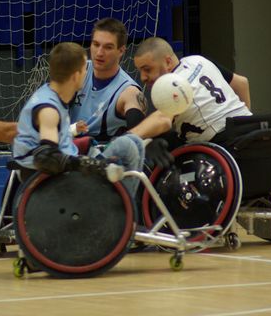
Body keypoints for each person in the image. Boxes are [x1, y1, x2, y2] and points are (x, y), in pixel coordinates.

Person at [13, 42, 173, 200]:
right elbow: (46, 157)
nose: (89, 73)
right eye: (85, 69)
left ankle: (123, 206)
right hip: (50, 177)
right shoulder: (49, 109)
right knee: (128, 147)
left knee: (132, 143)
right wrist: (86, 163)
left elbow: (57, 143)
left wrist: (83, 146)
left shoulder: (54, 98)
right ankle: (120, 208)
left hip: (63, 166)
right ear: (76, 75)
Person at [133, 37, 252, 145]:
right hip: (250, 125)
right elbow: (241, 83)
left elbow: (162, 120)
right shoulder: (197, 60)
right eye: (140, 71)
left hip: (223, 141)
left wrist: (128, 137)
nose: (143, 77)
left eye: (147, 69)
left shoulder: (172, 83)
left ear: (168, 62)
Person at [69, 18, 148, 141]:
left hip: (102, 154)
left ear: (121, 51)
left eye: (108, 47)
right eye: (96, 44)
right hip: (68, 146)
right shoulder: (77, 70)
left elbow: (140, 129)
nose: (99, 53)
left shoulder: (129, 91)